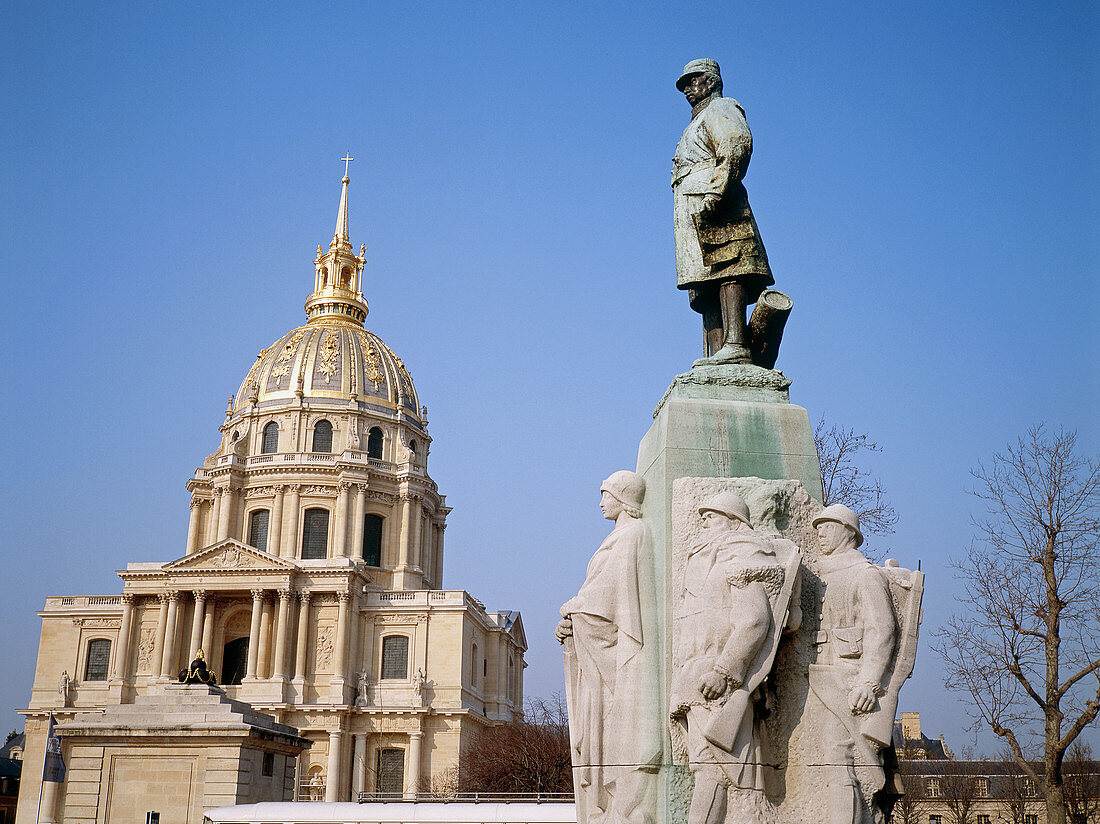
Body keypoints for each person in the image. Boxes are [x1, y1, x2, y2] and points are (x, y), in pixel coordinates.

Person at [670, 491, 791, 824]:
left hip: (718, 681)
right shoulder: (704, 560)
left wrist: (725, 672)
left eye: (712, 515)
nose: (704, 521)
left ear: (733, 520)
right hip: (695, 676)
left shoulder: (743, 556)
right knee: (707, 768)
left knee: (716, 770)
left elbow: (756, 620)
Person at [558, 470, 661, 824]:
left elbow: (608, 599)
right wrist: (574, 619)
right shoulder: (623, 537)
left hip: (615, 652)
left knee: (611, 727)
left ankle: (623, 806)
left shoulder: (631, 536)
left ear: (623, 498)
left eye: (606, 495)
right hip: (598, 644)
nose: (601, 502)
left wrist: (573, 609)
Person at [673, 58, 773, 365]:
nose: (688, 88)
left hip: (714, 200)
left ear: (712, 80)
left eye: (694, 80)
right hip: (692, 206)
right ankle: (718, 353)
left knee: (729, 268)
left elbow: (734, 145)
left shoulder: (721, 108)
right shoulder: (696, 121)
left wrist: (716, 192)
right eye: (685, 84)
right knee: (705, 280)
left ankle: (736, 344)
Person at [807, 504, 898, 824]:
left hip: (846, 679)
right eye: (818, 527)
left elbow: (882, 630)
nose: (819, 533)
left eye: (827, 527)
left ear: (849, 532)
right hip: (815, 677)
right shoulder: (815, 572)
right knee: (826, 757)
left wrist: (868, 682)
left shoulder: (865, 574)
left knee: (838, 756)